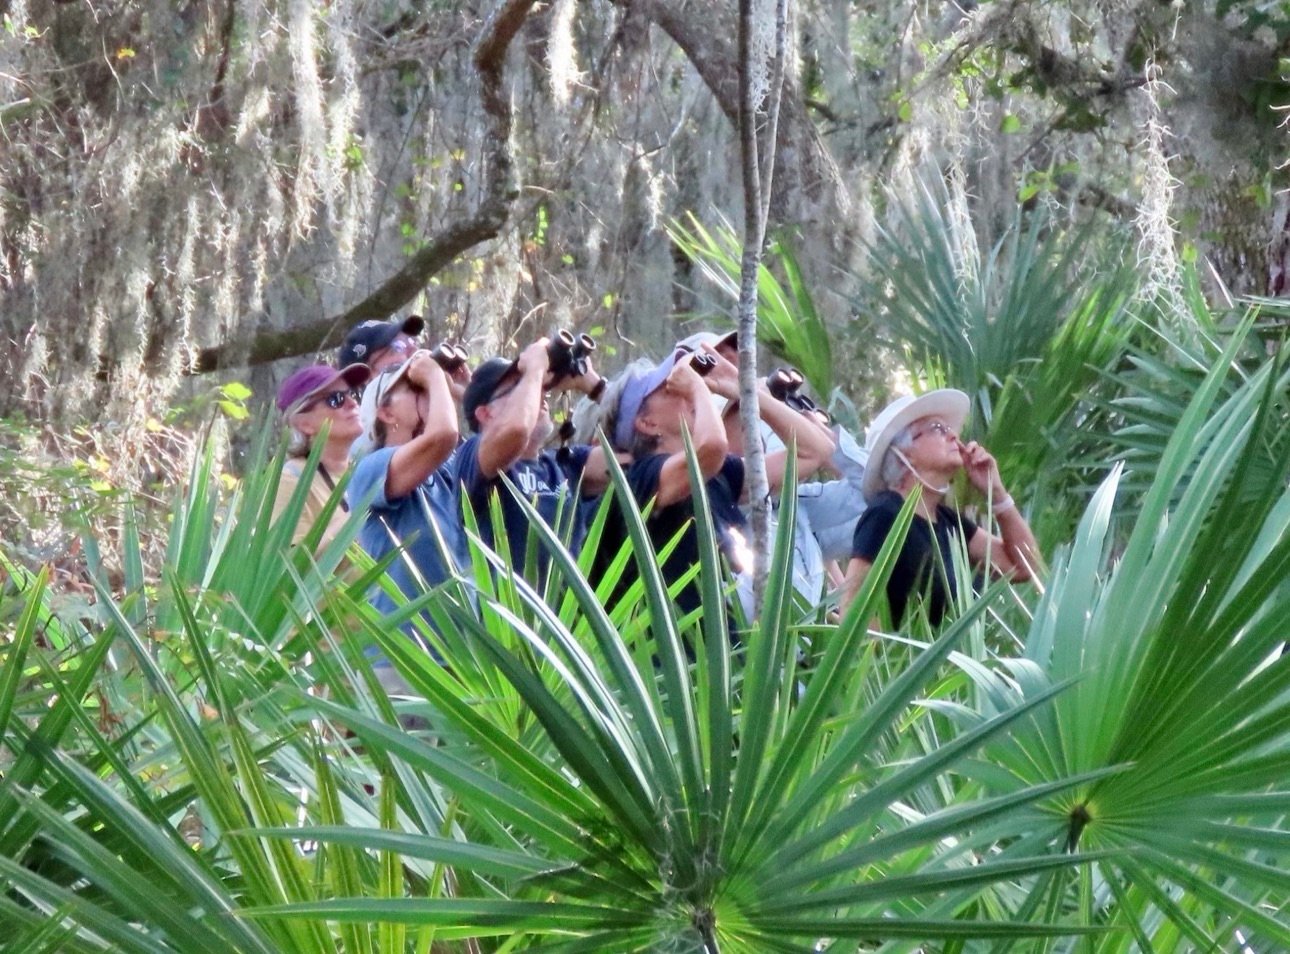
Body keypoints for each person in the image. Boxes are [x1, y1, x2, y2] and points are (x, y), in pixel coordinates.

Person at [839, 389, 1040, 627]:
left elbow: (1023, 568)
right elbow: (853, 611)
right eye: (937, 429)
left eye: (949, 429)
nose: (954, 436)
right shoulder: (886, 514)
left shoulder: (950, 524)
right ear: (904, 452)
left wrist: (996, 493)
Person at [601, 346, 749, 621]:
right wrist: (697, 388)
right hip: (674, 658)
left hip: (728, 651)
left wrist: (743, 390)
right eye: (670, 390)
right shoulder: (640, 477)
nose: (686, 394)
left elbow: (811, 453)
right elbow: (711, 448)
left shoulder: (715, 474)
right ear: (646, 422)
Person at [455, 337, 610, 580]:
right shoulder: (472, 457)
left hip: (564, 617)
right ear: (485, 413)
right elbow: (515, 431)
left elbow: (639, 453)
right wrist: (535, 368)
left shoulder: (566, 465)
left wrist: (594, 386)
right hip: (502, 615)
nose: (537, 392)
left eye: (538, 387)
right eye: (518, 386)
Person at [347, 350, 462, 647]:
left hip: (460, 657)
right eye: (414, 389)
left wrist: (463, 390)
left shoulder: (446, 469)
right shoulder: (369, 469)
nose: (428, 393)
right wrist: (435, 377)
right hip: (403, 660)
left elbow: (498, 438)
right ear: (386, 413)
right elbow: (444, 434)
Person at [271, 362, 371, 551]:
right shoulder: (291, 480)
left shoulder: (367, 469)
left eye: (353, 393)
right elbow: (285, 566)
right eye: (336, 399)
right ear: (303, 424)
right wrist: (363, 510)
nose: (352, 403)